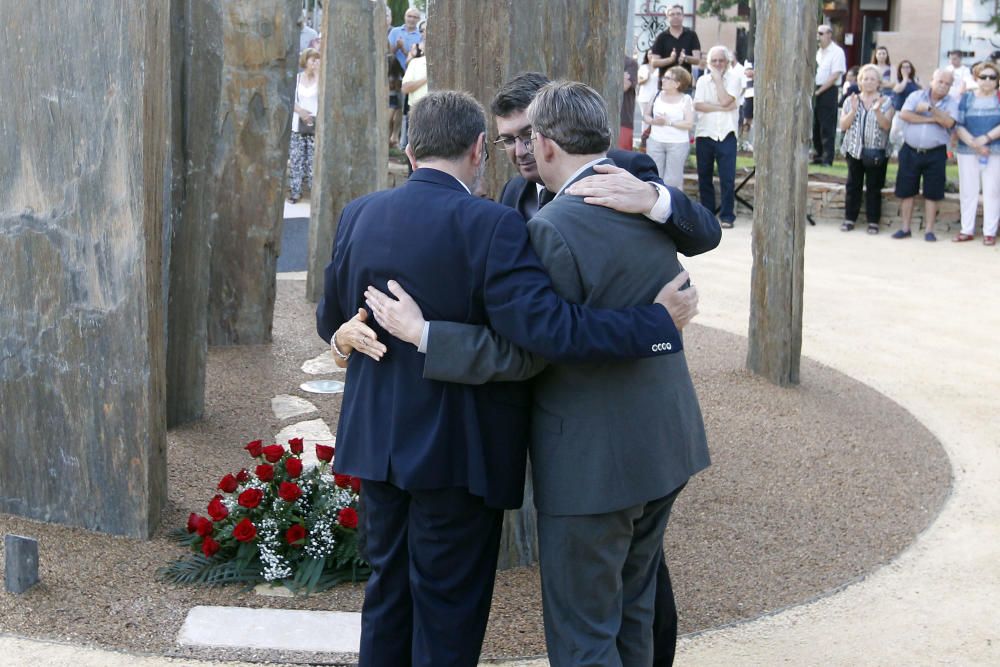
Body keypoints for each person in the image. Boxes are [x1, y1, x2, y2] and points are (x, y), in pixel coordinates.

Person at [316, 90, 697, 667]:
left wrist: (352, 333)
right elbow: (538, 337)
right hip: (458, 451)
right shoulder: (495, 224)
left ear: (409, 149)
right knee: (447, 613)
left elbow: (330, 318)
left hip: (375, 443)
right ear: (478, 150)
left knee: (386, 598)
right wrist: (655, 323)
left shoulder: (359, 212)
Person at [892, 69, 958, 242]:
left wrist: (929, 109)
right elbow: (905, 114)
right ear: (932, 80)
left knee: (933, 192)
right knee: (906, 190)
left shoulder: (951, 102)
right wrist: (933, 118)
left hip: (935, 153)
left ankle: (929, 230)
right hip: (910, 150)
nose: (943, 86)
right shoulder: (916, 96)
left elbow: (949, 122)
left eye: (947, 84)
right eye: (940, 82)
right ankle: (905, 228)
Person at [838, 64, 894, 234]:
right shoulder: (850, 100)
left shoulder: (886, 101)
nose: (868, 82)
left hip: (876, 151)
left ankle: (873, 222)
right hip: (854, 150)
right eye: (865, 79)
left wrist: (877, 111)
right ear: (859, 81)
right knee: (853, 185)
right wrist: (854, 111)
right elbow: (843, 125)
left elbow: (886, 126)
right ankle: (849, 219)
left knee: (874, 187)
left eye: (872, 79)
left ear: (878, 82)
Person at [694, 45, 741, 228]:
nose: (718, 64)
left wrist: (719, 82)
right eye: (714, 61)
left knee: (727, 178)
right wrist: (723, 107)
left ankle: (727, 216)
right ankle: (708, 215)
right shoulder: (702, 81)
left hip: (727, 134)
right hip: (705, 133)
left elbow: (725, 100)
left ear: (727, 62)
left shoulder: (735, 79)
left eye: (721, 60)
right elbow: (698, 105)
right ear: (709, 62)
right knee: (704, 176)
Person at [953, 62, 1000, 245]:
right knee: (968, 190)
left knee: (992, 191)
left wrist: (985, 139)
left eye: (992, 77)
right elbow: (958, 124)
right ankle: (967, 229)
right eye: (983, 76)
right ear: (976, 78)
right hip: (968, 150)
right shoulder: (966, 98)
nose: (987, 80)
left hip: (994, 150)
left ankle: (989, 232)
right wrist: (974, 143)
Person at [644, 66, 695, 188]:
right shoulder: (656, 95)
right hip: (655, 140)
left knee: (673, 180)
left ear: (677, 83)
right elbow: (646, 115)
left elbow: (689, 124)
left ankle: (673, 206)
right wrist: (654, 121)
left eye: (667, 78)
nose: (663, 80)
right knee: (653, 177)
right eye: (663, 77)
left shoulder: (686, 99)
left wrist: (669, 122)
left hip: (677, 144)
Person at [288, 48, 319, 204]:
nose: (315, 63)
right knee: (296, 159)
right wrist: (300, 111)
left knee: (313, 161)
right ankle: (295, 192)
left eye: (317, 60)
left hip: (315, 124)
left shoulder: (320, 80)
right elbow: (290, 99)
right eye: (313, 60)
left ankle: (314, 192)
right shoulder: (297, 79)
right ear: (305, 61)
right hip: (297, 124)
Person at [814, 25, 847, 166]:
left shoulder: (837, 52)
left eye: (821, 33)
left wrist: (820, 91)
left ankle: (827, 158)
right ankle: (818, 155)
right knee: (815, 125)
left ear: (829, 34)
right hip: (815, 89)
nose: (818, 36)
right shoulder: (817, 52)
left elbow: (835, 75)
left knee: (827, 125)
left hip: (828, 90)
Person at [649, 4, 701, 79]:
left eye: (678, 14)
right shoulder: (662, 37)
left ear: (683, 16)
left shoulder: (691, 35)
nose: (675, 16)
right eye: (672, 14)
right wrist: (670, 60)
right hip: (666, 83)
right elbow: (654, 62)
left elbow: (697, 60)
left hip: (685, 83)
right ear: (667, 17)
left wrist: (685, 58)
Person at [636, 50, 661, 145]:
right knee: (646, 118)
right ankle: (644, 139)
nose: (651, 55)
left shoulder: (660, 68)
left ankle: (653, 138)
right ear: (647, 55)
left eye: (653, 53)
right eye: (650, 53)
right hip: (644, 97)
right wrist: (646, 78)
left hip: (656, 97)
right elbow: (639, 81)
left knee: (654, 118)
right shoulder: (643, 67)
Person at [620, 54, 639, 150]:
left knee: (620, 160)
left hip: (622, 119)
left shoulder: (630, 63)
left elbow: (624, 86)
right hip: (594, 119)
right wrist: (620, 76)